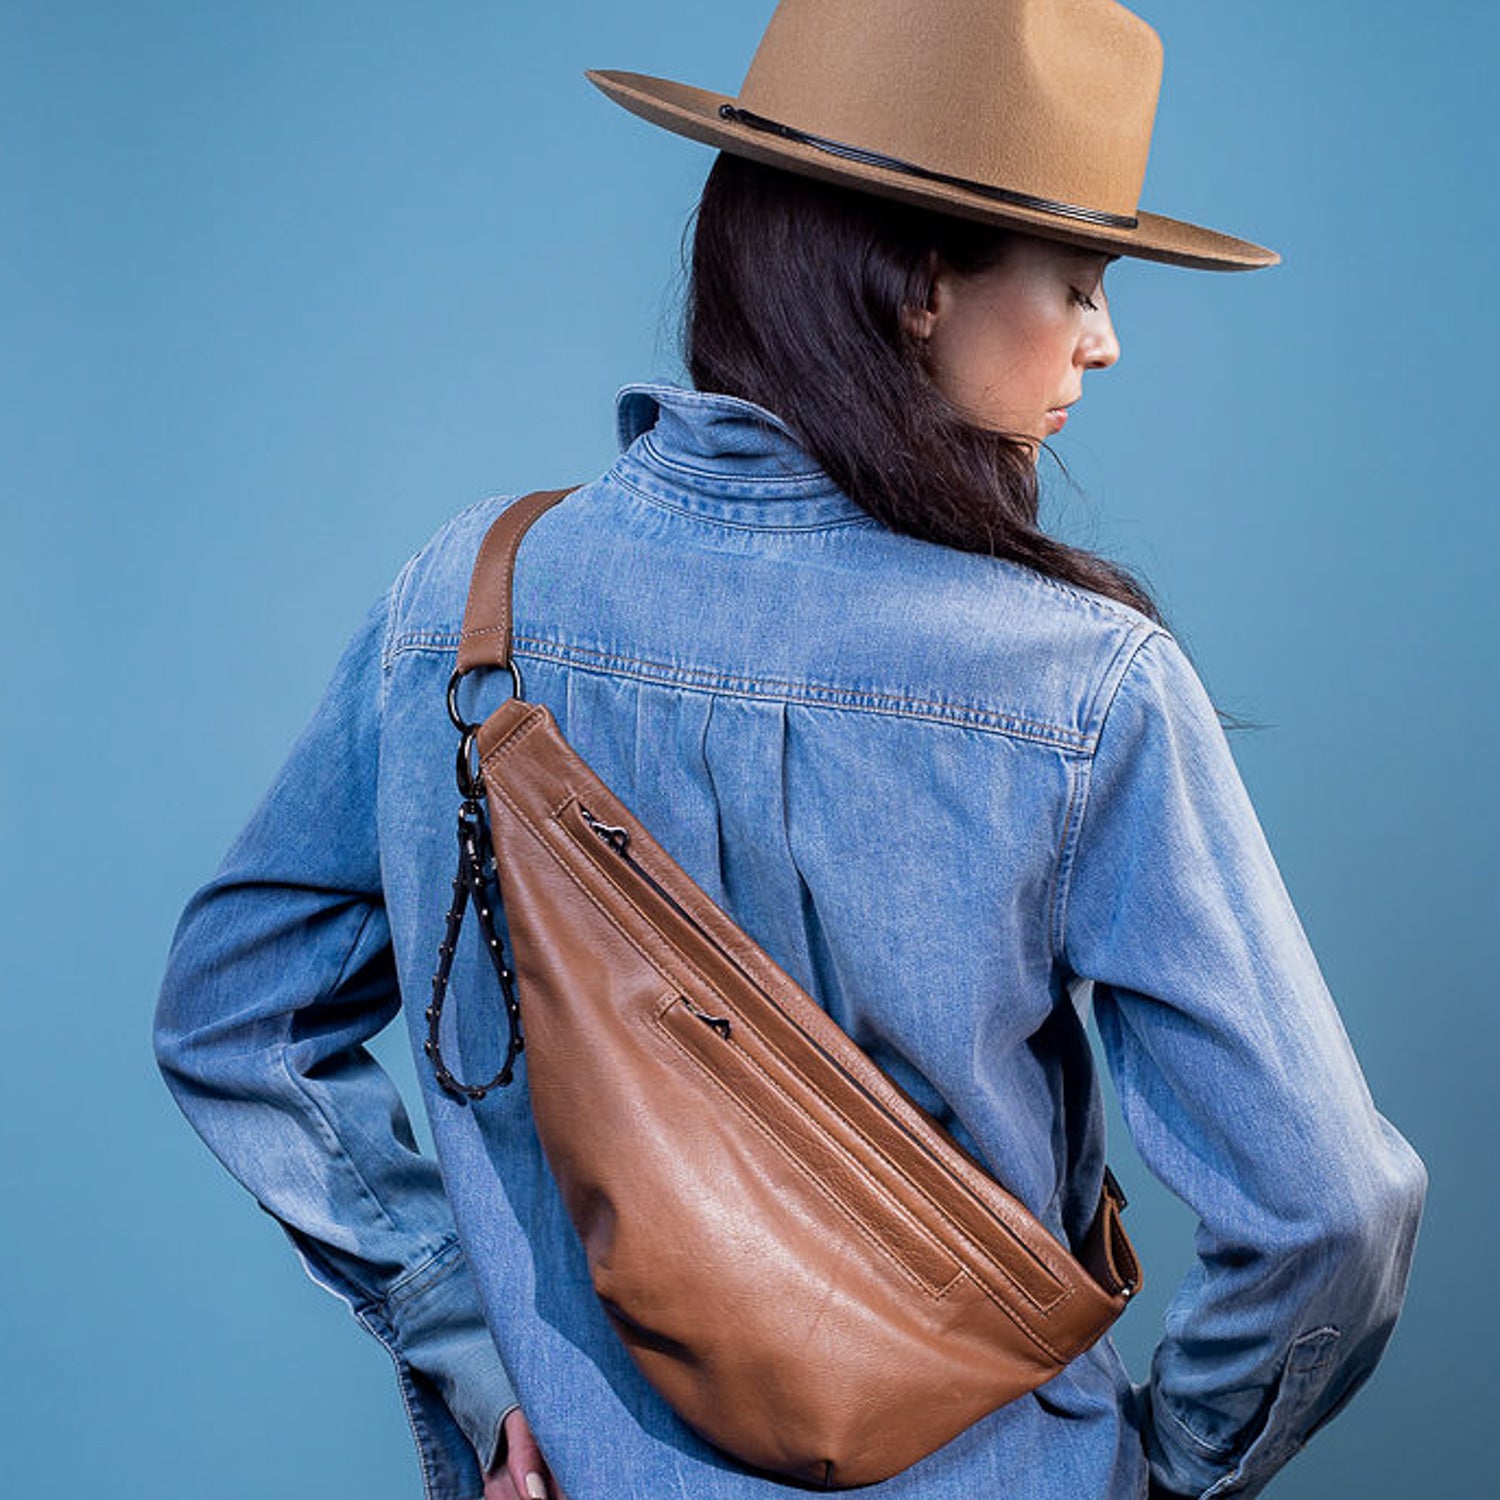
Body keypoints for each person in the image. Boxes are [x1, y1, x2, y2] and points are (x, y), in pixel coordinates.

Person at [153, 3, 1426, 1498]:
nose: (1106, 337)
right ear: (920, 287)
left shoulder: (466, 600)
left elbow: (235, 1015)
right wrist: (1174, 1470)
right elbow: (1332, 1209)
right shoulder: (1084, 687)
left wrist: (457, 1325)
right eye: (1080, 278)